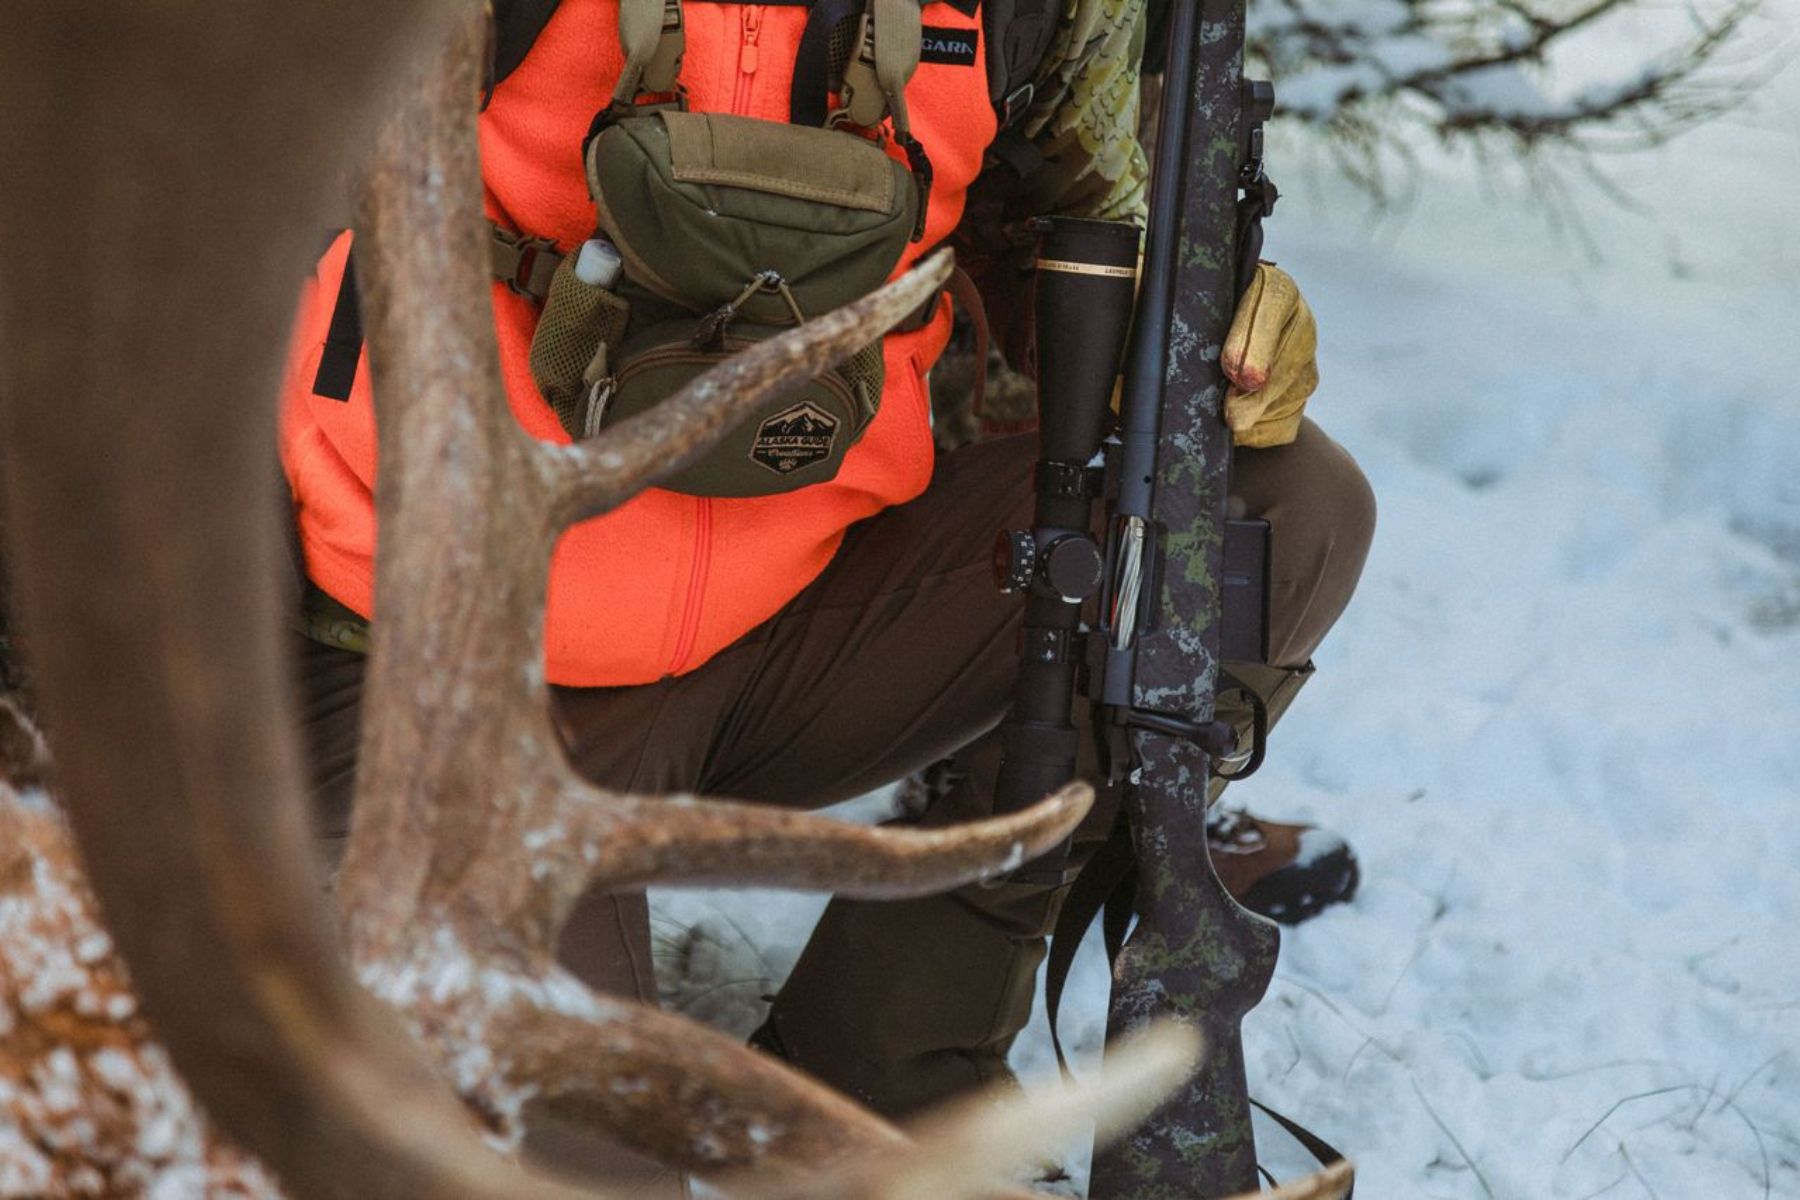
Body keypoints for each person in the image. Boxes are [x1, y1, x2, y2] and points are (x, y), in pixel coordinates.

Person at [279, 0, 1375, 1164]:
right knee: (582, 1177)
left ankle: (884, 1061)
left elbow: (1077, 234)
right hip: (440, 684)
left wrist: (1206, 338)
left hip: (784, 642)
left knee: (1263, 513)